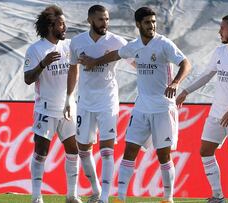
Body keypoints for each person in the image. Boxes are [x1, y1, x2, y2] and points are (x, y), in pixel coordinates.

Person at [78, 7, 192, 203]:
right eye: (147, 22)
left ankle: (168, 197)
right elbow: (115, 55)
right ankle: (120, 197)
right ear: (138, 24)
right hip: (141, 107)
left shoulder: (164, 44)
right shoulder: (134, 45)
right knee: (129, 150)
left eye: (153, 22)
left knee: (163, 155)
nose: (152, 26)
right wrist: (94, 61)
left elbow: (186, 63)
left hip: (163, 107)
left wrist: (175, 83)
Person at [176, 14, 228, 203]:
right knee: (205, 151)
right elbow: (207, 75)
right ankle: (218, 196)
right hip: (217, 112)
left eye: (222, 28)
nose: (219, 31)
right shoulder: (219, 52)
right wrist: (186, 91)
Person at [63, 5, 128, 203]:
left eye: (107, 19)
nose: (105, 23)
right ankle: (96, 190)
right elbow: (73, 69)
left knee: (107, 149)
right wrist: (68, 98)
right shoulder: (77, 41)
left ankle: (105, 198)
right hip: (85, 102)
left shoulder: (117, 41)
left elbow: (134, 57)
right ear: (90, 20)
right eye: (101, 19)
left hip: (107, 101)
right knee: (83, 148)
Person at [23, 5, 81, 203]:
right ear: (51, 26)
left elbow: (76, 69)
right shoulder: (36, 49)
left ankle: (72, 195)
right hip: (45, 109)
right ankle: (36, 196)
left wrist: (70, 99)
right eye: (61, 24)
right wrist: (42, 64)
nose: (65, 27)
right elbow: (28, 79)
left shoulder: (69, 46)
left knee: (74, 151)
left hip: (68, 108)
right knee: (41, 152)